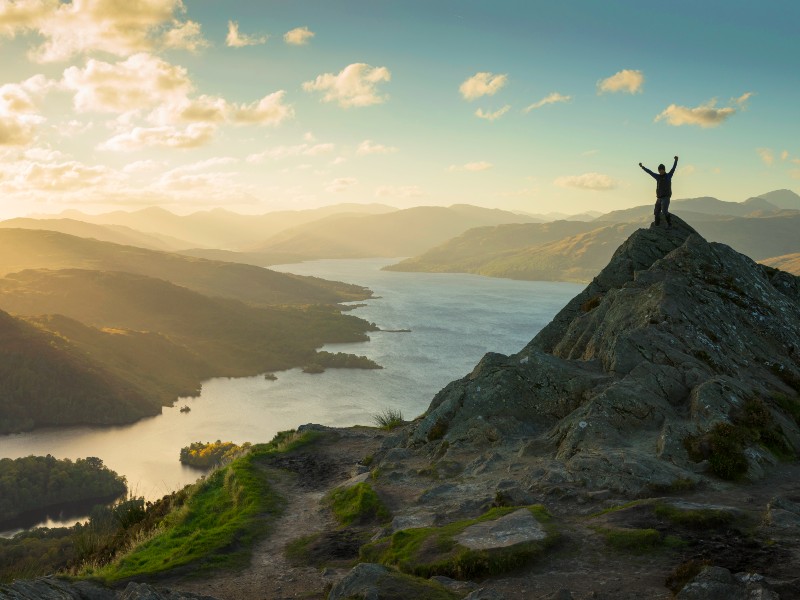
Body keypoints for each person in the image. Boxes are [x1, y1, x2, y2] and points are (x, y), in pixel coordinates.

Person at [639, 156, 678, 228]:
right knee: (656, 212)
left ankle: (669, 224)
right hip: (659, 198)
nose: (661, 171)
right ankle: (657, 226)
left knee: (664, 211)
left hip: (666, 197)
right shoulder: (657, 177)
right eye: (660, 170)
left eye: (662, 170)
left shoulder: (668, 176)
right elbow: (650, 172)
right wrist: (642, 167)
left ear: (664, 170)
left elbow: (674, 168)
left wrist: (676, 160)